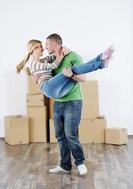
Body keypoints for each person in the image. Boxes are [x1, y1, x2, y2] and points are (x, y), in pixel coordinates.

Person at [16, 35, 114, 176]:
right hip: (54, 96)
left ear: (55, 45)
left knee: (70, 135)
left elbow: (83, 78)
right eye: (40, 46)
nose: (44, 47)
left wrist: (70, 74)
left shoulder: (71, 56)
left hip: (72, 101)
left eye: (46, 45)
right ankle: (64, 165)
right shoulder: (38, 63)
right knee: (60, 136)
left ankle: (79, 163)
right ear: (32, 50)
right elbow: (54, 65)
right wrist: (64, 66)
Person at [16, 39, 114, 99]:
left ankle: (101, 60)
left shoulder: (43, 60)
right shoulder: (34, 64)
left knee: (72, 75)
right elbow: (54, 65)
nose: (43, 49)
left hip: (58, 93)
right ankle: (101, 62)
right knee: (72, 70)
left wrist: (62, 50)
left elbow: (55, 56)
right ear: (34, 49)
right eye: (40, 47)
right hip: (48, 88)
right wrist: (63, 53)